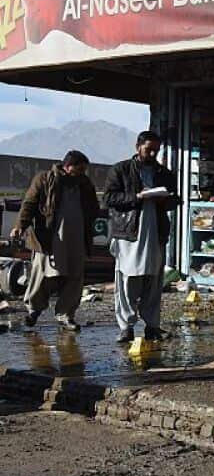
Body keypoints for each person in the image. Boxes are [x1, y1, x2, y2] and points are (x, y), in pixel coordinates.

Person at [10, 150, 100, 331]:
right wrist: (20, 225)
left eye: (84, 170)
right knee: (42, 274)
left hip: (76, 237)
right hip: (49, 238)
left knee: (74, 277)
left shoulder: (84, 183)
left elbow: (93, 208)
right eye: (79, 169)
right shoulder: (45, 179)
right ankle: (34, 310)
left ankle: (66, 314)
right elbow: (29, 203)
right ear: (67, 167)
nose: (82, 173)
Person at [104, 130, 180, 344]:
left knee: (154, 281)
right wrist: (136, 197)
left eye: (156, 150)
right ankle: (126, 327)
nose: (153, 153)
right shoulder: (121, 170)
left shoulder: (164, 173)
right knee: (127, 280)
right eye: (149, 149)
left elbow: (175, 199)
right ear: (138, 147)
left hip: (155, 233)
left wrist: (164, 200)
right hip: (129, 234)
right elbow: (109, 198)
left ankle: (152, 326)